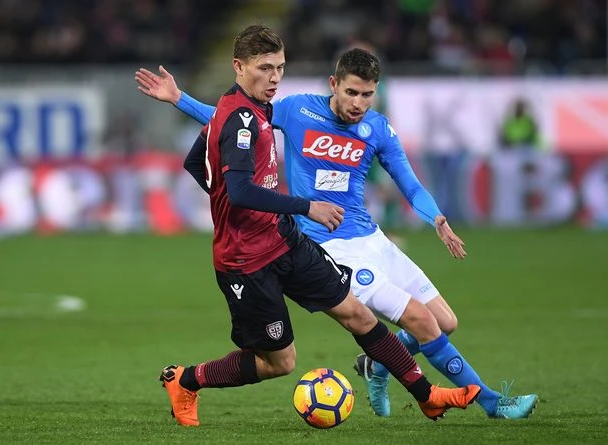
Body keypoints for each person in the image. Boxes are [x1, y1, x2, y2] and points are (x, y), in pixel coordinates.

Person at [135, 44, 537, 420]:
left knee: (444, 322)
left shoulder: (378, 129)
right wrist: (179, 99)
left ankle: (378, 364)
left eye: (367, 95)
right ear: (334, 84)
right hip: (326, 243)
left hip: (370, 238)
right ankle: (491, 402)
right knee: (419, 321)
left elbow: (411, 185)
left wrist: (436, 218)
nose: (358, 103)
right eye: (352, 93)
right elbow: (231, 121)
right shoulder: (297, 111)